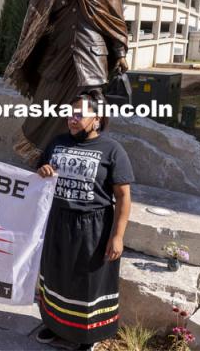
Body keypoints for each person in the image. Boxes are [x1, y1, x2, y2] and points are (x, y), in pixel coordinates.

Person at [4, 0, 129, 163]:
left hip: (93, 57)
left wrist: (120, 52)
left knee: (87, 112)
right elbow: (37, 5)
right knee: (45, 108)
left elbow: (115, 16)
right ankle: (44, 159)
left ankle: (80, 160)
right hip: (58, 54)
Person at [35, 92, 133, 351]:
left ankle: (86, 336)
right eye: (70, 114)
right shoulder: (56, 143)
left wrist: (118, 236)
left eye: (79, 114)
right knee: (56, 276)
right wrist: (42, 171)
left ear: (97, 118)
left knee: (86, 284)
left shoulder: (112, 150)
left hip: (94, 228)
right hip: (58, 222)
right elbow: (40, 173)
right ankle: (54, 324)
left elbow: (123, 197)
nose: (72, 119)